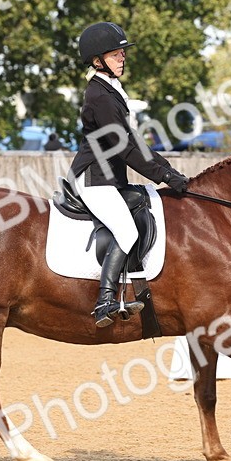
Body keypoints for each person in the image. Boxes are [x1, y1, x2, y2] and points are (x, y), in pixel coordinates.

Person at [69, 21, 190, 327]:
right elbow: (126, 148)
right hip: (94, 179)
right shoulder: (98, 96)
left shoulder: (110, 90)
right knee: (127, 231)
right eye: (114, 54)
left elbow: (136, 143)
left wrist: (169, 171)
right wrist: (165, 176)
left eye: (122, 53)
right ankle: (105, 301)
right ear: (98, 61)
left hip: (110, 177)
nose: (122, 58)